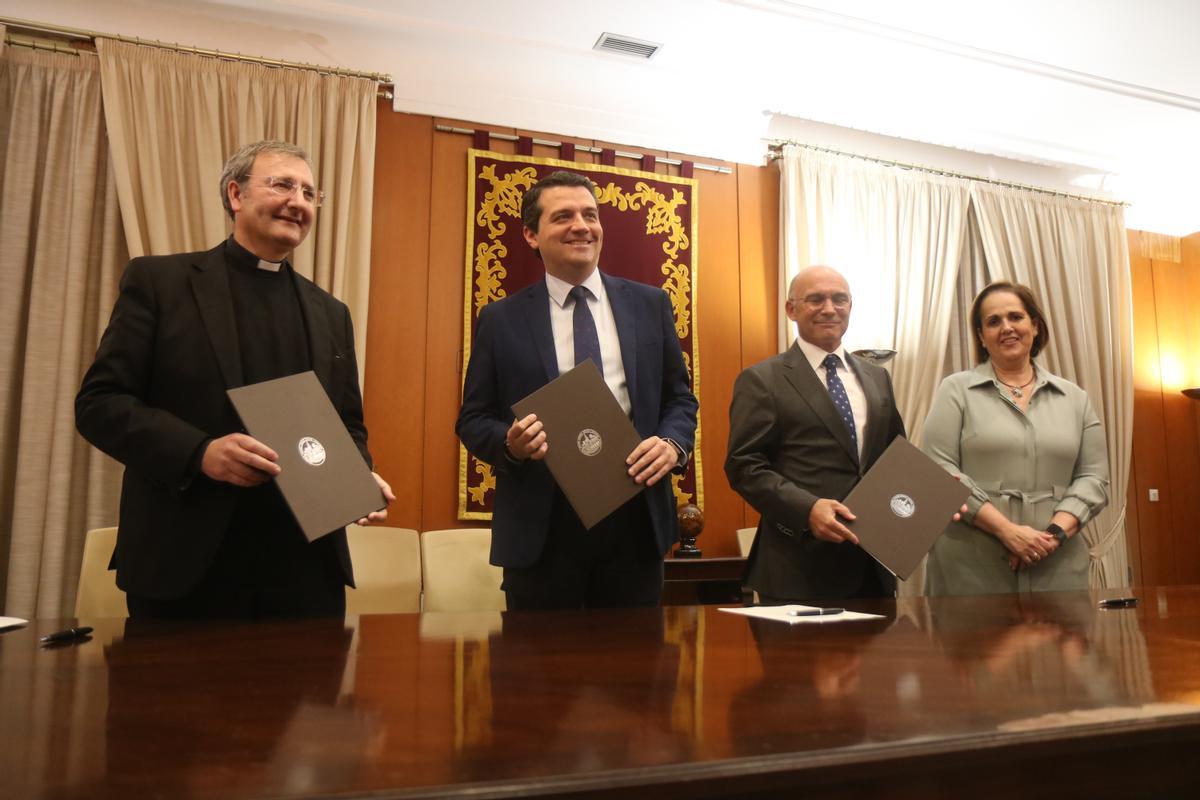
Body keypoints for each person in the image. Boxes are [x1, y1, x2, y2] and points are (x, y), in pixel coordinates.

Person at [76, 140, 394, 619]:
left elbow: (348, 424)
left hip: (305, 572)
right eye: (282, 184)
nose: (299, 201)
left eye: (310, 193)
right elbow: (100, 404)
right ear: (235, 194)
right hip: (187, 565)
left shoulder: (332, 313)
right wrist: (199, 453)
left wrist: (356, 477)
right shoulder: (160, 283)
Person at [456, 170, 698, 610]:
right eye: (563, 216)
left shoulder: (651, 305)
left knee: (640, 672)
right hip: (542, 528)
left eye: (590, 214)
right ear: (531, 234)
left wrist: (672, 444)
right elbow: (473, 419)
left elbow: (679, 398)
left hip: (635, 520)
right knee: (538, 673)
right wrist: (511, 445)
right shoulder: (500, 319)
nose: (581, 226)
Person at [725, 266, 906, 602]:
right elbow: (743, 466)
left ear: (850, 305)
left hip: (873, 570)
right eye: (816, 299)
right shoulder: (763, 380)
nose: (829, 308)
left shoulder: (876, 378)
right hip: (796, 569)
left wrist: (928, 497)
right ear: (791, 309)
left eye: (839, 299)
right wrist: (806, 509)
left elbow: (896, 458)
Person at [921, 281, 1108, 595]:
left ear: (1034, 326)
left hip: (1058, 566)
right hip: (969, 567)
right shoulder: (955, 390)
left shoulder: (1075, 398)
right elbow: (937, 469)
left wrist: (1051, 537)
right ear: (981, 336)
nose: (1006, 327)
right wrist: (1007, 531)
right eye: (994, 321)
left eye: (1016, 317)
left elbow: (1095, 478)